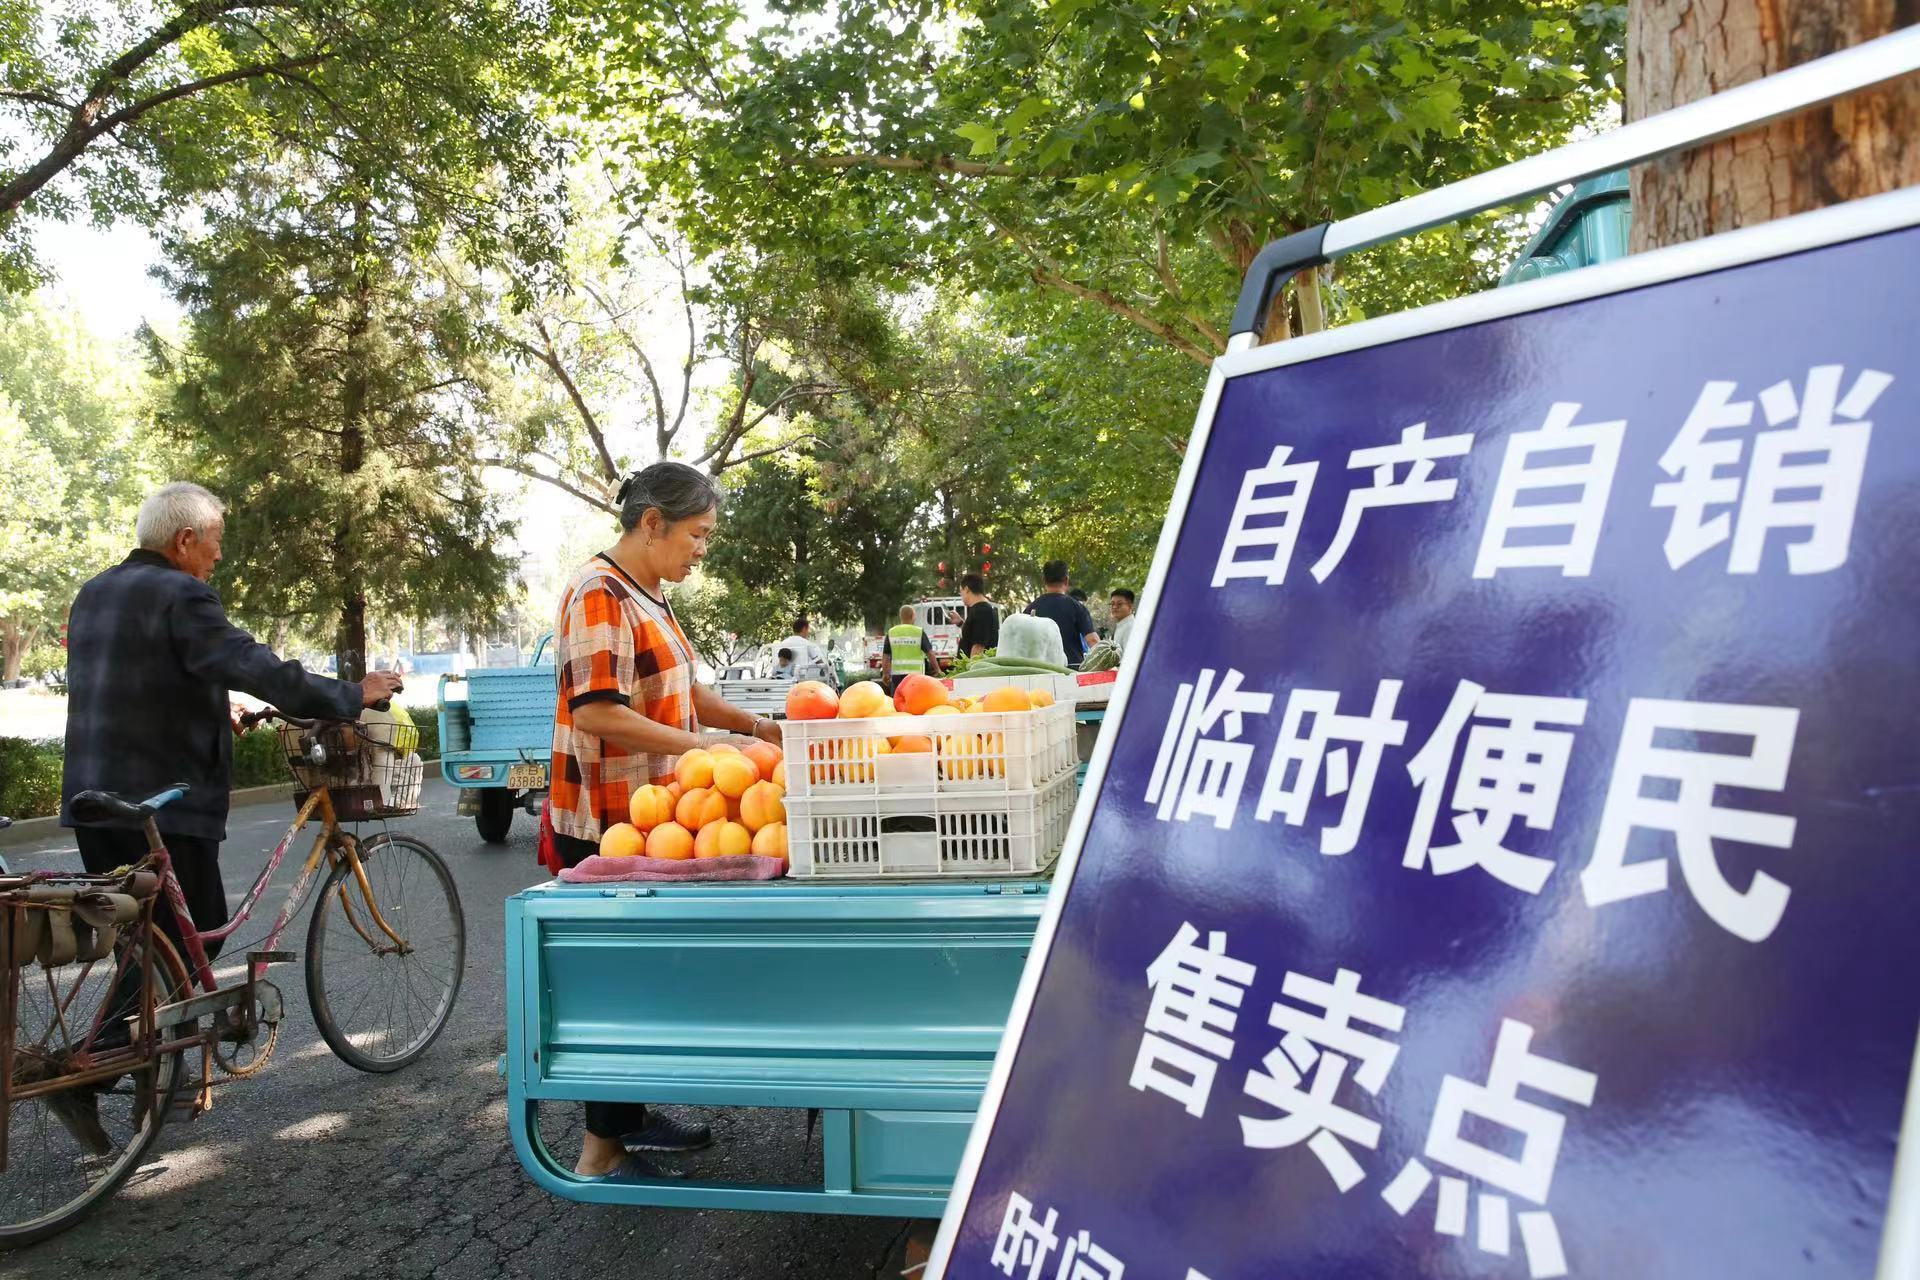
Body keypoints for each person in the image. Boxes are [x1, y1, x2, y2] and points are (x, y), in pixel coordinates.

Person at [547, 461, 783, 1183]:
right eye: (697, 534)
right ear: (652, 523)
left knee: (641, 973)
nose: (702, 549)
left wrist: (756, 727)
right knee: (614, 982)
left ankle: (628, 1118)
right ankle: (599, 1153)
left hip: (652, 816)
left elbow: (685, 690)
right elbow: (597, 711)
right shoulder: (598, 591)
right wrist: (701, 749)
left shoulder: (648, 593)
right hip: (606, 821)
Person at [62, 482, 402, 966]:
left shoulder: (95, 592)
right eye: (216, 540)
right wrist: (351, 694)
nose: (219, 555)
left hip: (92, 801)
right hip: (163, 803)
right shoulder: (182, 593)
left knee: (144, 950)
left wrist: (215, 706)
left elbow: (131, 679)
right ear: (184, 540)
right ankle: (136, 1016)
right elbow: (254, 666)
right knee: (194, 940)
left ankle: (147, 1015)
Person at [1025, 560, 1099, 667]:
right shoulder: (1077, 607)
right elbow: (1092, 640)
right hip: (1071, 669)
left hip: (1040, 670)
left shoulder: (1030, 609)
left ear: (1044, 580)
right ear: (1066, 580)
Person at [881, 604, 944, 692]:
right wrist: (937, 669)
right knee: (915, 697)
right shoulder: (919, 631)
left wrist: (885, 674)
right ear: (913, 616)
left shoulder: (891, 632)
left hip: (897, 676)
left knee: (898, 697)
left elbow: (886, 656)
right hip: (916, 676)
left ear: (900, 616)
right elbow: (929, 653)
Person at [775, 615, 830, 681]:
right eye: (808, 629)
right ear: (804, 629)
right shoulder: (807, 644)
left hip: (782, 680)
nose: (808, 632)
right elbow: (820, 663)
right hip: (802, 680)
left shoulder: (783, 643)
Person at [956, 573, 999, 658]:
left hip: (974, 664)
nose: (961, 596)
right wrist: (960, 623)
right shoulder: (982, 609)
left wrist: (971, 665)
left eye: (961, 592)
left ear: (967, 589)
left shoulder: (981, 611)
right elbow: (974, 633)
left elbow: (978, 647)